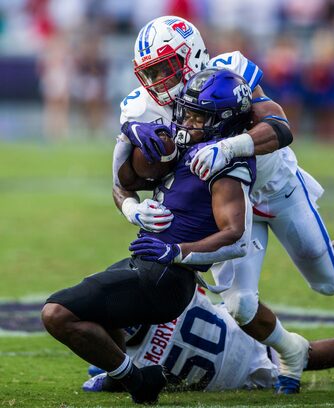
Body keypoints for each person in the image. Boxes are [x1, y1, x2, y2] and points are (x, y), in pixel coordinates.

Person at [113, 15, 334, 394]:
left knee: (327, 282)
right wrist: (133, 207)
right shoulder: (142, 108)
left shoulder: (228, 71)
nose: (158, 79)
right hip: (225, 206)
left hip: (275, 187)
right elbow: (122, 182)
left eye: (166, 66)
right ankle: (289, 350)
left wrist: (228, 147)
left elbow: (280, 126)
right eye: (151, 71)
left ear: (192, 55)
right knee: (241, 305)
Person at [41, 68, 257, 405]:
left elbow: (236, 237)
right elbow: (124, 181)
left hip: (168, 276)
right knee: (95, 313)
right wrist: (130, 134)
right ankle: (127, 376)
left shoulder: (224, 163)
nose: (187, 122)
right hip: (148, 265)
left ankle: (137, 380)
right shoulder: (188, 148)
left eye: (199, 117)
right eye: (188, 112)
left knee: (57, 313)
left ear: (225, 121)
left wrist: (176, 251)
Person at [82, 286, 334, 393]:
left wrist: (107, 373)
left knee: (306, 357)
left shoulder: (137, 363)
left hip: (247, 371)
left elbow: (100, 381)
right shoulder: (171, 298)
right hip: (244, 333)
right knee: (300, 351)